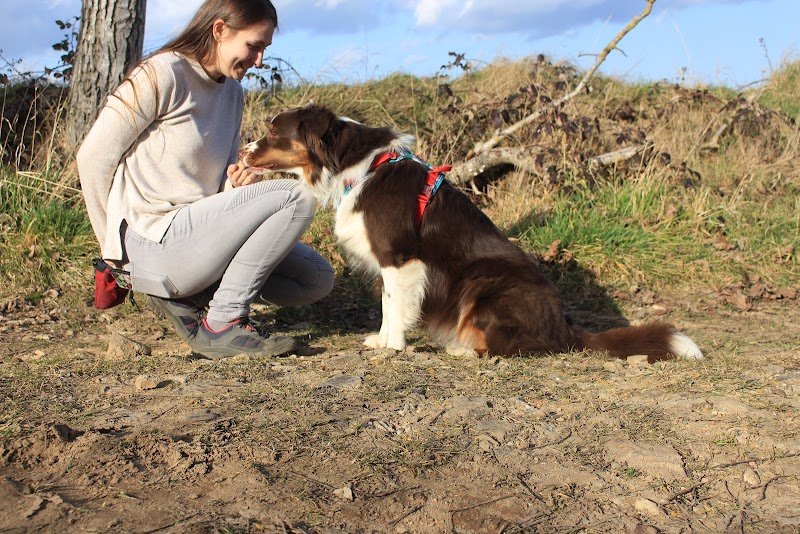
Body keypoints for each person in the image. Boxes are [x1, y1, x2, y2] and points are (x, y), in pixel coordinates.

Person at [76, 0, 334, 359]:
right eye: (254, 45)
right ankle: (223, 322)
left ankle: (202, 297)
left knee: (316, 278)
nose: (259, 59)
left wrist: (236, 185)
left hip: (196, 240)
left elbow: (215, 186)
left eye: (264, 49)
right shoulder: (162, 74)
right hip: (152, 240)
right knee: (298, 196)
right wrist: (113, 252)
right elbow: (92, 158)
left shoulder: (232, 94)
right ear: (220, 30)